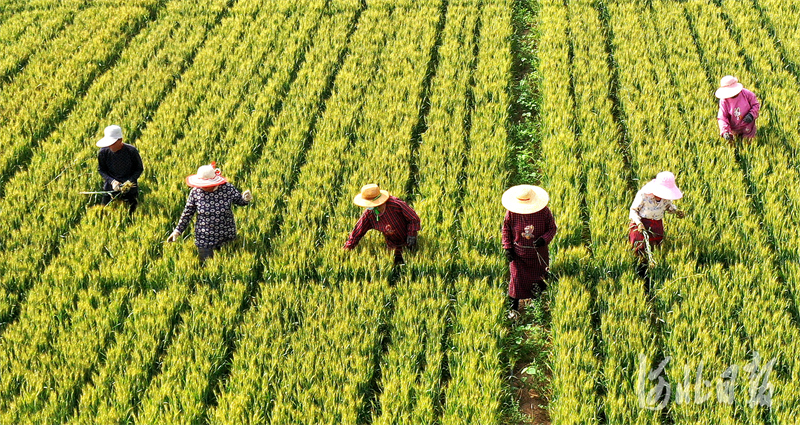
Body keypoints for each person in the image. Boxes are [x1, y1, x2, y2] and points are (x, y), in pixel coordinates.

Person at [167, 162, 252, 263]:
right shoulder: (195, 192)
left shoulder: (227, 188)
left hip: (226, 236)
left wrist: (245, 199)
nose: (204, 187)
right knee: (206, 266)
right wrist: (177, 231)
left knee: (227, 265)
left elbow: (239, 201)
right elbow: (187, 213)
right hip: (204, 238)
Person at [502, 185, 557, 320]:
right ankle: (513, 309)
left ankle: (536, 302)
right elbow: (506, 230)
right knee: (516, 280)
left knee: (539, 278)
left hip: (538, 254)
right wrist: (508, 247)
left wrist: (543, 240)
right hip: (518, 255)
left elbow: (552, 228)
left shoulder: (544, 212)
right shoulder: (511, 213)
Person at [343, 184, 420, 266]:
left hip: (409, 242)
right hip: (392, 247)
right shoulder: (369, 214)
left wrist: (412, 235)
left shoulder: (395, 205)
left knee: (413, 261)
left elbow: (413, 219)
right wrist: (346, 249)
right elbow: (358, 231)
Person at [629, 171, 685, 278]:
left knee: (656, 248)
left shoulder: (666, 197)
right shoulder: (643, 195)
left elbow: (668, 206)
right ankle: (639, 272)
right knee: (640, 249)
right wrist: (639, 223)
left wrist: (676, 211)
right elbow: (633, 210)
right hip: (641, 225)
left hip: (656, 226)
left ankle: (654, 270)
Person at [96, 125, 143, 213]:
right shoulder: (103, 152)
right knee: (103, 213)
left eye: (112, 143)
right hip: (110, 188)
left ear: (120, 140)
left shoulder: (131, 151)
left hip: (129, 189)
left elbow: (139, 169)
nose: (110, 146)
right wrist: (112, 181)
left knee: (131, 214)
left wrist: (129, 182)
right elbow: (101, 170)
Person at [716, 75, 760, 143]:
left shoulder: (747, 94)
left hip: (748, 125)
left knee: (748, 143)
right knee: (733, 144)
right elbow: (722, 117)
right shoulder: (724, 101)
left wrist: (751, 115)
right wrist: (725, 131)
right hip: (734, 128)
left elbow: (756, 105)